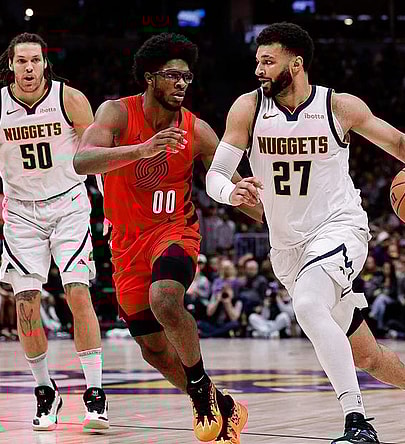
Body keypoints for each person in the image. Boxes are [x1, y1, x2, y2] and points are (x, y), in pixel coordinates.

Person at [205, 23, 405, 443]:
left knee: (309, 306)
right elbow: (215, 175)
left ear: (296, 64)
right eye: (257, 60)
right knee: (367, 355)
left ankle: (357, 423)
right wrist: (230, 191)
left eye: (267, 61)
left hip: (340, 228)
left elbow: (400, 143)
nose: (259, 69)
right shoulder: (248, 109)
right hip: (287, 248)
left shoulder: (338, 107)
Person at [75, 33, 262, 444]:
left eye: (187, 77)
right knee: (152, 350)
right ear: (149, 77)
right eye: (172, 76)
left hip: (174, 231)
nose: (181, 83)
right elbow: (82, 160)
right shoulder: (117, 114)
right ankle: (222, 404)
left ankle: (199, 391)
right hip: (125, 243)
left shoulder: (198, 131)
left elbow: (237, 187)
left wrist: (278, 220)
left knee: (165, 299)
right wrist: (139, 150)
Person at [0, 33, 107, 432]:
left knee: (77, 290)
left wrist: (112, 206)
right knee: (25, 301)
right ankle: (45, 390)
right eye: (21, 61)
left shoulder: (69, 99)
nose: (28, 68)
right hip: (21, 212)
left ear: (44, 63)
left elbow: (96, 156)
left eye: (35, 60)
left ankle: (94, 390)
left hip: (69, 202)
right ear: (11, 65)